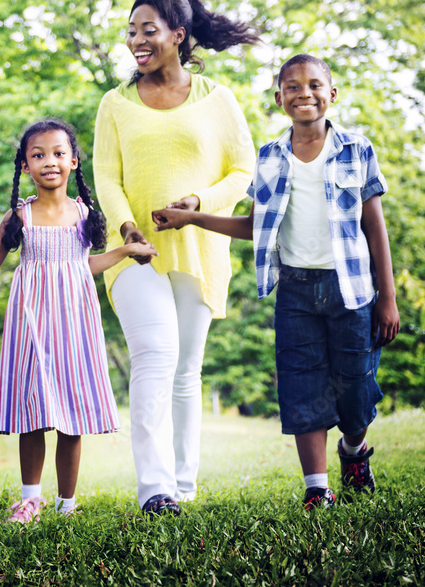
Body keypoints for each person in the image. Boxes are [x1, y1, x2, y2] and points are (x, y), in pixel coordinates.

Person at [152, 54, 400, 509]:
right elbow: (256, 225)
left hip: (353, 290)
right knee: (301, 386)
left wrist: (388, 299)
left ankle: (353, 450)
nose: (304, 93)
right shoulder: (268, 158)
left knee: (356, 391)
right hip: (296, 292)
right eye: (292, 86)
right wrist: (194, 219)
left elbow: (374, 227)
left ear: (332, 94)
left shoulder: (357, 149)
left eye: (313, 85)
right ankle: (316, 488)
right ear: (279, 98)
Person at [0, 120, 156, 522]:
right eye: (38, 155)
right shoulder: (19, 217)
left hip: (74, 322)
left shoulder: (85, 214)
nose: (48, 162)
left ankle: (68, 503)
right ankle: (30, 499)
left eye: (57, 153)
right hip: (30, 324)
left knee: (71, 415)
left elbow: (83, 265)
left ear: (73, 161)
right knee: (32, 412)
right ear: (25, 166)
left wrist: (124, 252)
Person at [92, 0, 258, 515]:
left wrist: (199, 202)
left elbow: (243, 170)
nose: (136, 41)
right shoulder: (114, 103)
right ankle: (156, 489)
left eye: (148, 30)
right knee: (154, 357)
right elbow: (105, 176)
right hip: (133, 251)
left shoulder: (218, 99)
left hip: (198, 245)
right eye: (131, 31)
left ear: (178, 36)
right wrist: (126, 229)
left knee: (187, 371)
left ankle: (184, 485)